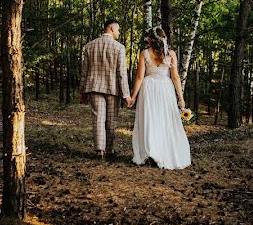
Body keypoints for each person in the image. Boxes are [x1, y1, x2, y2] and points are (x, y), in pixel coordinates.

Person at [129, 27, 191, 169]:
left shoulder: (144, 53)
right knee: (165, 119)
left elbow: (139, 77)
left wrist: (133, 96)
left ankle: (150, 152)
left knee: (149, 119)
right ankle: (162, 152)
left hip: (148, 88)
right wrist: (180, 98)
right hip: (165, 88)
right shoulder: (170, 54)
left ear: (151, 39)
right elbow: (175, 77)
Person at [79, 19, 133, 160]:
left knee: (98, 118)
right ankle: (109, 149)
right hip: (112, 88)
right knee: (111, 119)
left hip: (94, 87)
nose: (119, 32)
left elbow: (84, 71)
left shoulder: (89, 46)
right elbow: (122, 74)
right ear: (111, 28)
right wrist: (126, 94)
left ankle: (99, 151)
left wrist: (82, 91)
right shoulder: (119, 48)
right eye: (118, 29)